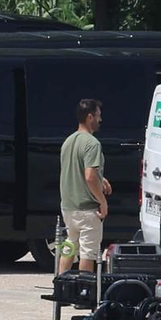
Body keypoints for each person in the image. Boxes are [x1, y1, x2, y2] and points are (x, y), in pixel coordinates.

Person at [56, 98, 110, 275]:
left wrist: (100, 178)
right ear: (90, 117)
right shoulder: (92, 143)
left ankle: (60, 285)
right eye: (98, 116)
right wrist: (102, 201)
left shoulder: (68, 142)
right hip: (87, 209)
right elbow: (89, 176)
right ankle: (83, 293)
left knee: (70, 244)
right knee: (88, 252)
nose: (100, 120)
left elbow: (77, 170)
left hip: (68, 206)